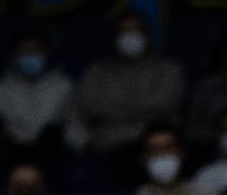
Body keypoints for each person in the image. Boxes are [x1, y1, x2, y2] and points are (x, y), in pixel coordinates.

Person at [67, 12, 187, 157]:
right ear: (114, 36)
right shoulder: (97, 71)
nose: (130, 36)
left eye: (136, 30)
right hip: (108, 147)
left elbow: (165, 104)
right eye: (124, 31)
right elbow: (90, 107)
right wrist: (145, 109)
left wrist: (112, 112)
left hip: (157, 149)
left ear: (147, 35)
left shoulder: (168, 69)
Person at [0, 29, 73, 162]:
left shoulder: (63, 85)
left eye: (36, 50)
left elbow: (73, 125)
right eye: (25, 51)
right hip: (11, 153)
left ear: (46, 53)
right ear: (15, 56)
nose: (31, 55)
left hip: (51, 153)